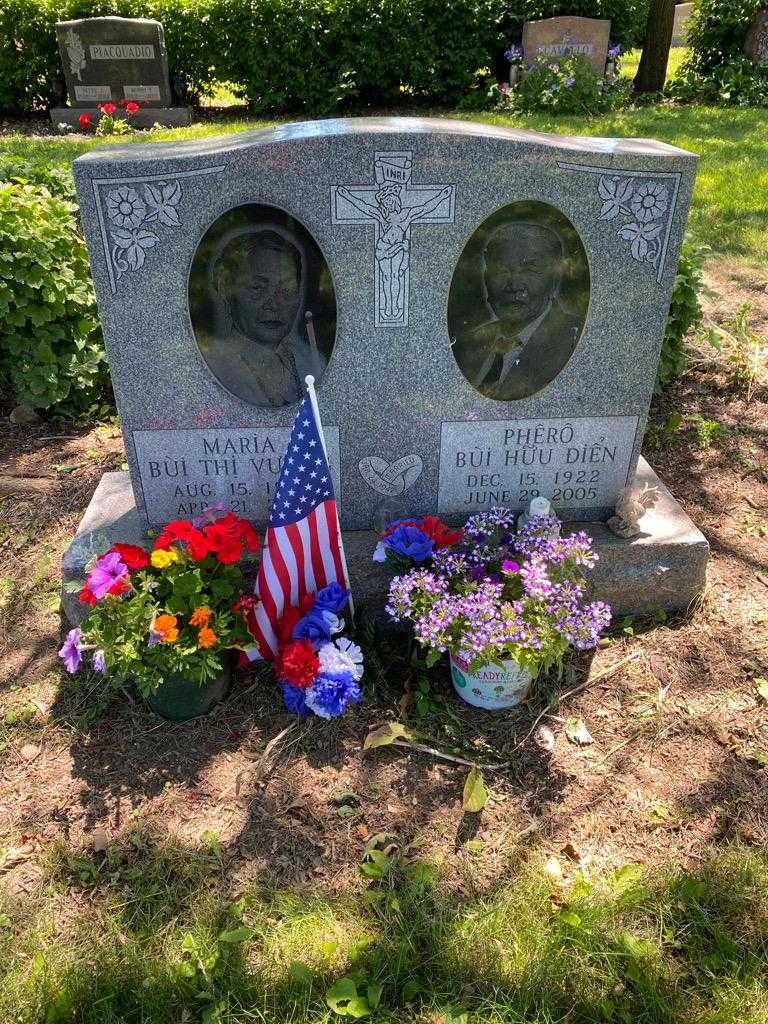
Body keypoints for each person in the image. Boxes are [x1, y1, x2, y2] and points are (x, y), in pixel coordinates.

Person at [452, 221, 584, 400]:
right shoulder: (467, 345)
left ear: (555, 277)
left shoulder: (574, 341)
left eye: (529, 269)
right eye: (501, 269)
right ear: (485, 275)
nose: (513, 285)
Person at [201, 225, 326, 407]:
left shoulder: (313, 363)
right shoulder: (213, 368)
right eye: (257, 288)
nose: (274, 304)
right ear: (225, 289)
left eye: (286, 290)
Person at [336, 182, 451, 322]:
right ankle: (387, 307)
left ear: (395, 199)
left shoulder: (406, 214)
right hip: (383, 249)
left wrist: (441, 197)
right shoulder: (382, 215)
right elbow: (364, 207)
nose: (387, 204)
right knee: (386, 277)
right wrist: (347, 195)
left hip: (398, 249)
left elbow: (424, 208)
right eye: (385, 202)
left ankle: (395, 306)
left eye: (389, 200)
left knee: (396, 276)